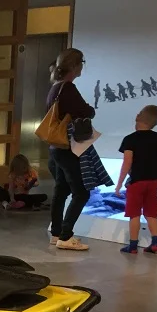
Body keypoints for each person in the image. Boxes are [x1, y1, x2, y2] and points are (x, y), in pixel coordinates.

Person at [46, 49, 94, 251]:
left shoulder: (55, 88)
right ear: (75, 66)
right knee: (81, 193)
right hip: (67, 146)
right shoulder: (68, 89)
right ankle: (66, 236)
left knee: (61, 189)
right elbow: (86, 111)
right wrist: (89, 109)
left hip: (55, 147)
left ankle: (56, 233)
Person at [115, 104, 157, 254]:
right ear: (156, 123)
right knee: (151, 213)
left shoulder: (129, 139)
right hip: (154, 181)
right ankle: (155, 243)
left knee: (134, 214)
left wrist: (119, 184)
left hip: (137, 181)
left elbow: (127, 163)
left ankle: (133, 246)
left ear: (138, 116)